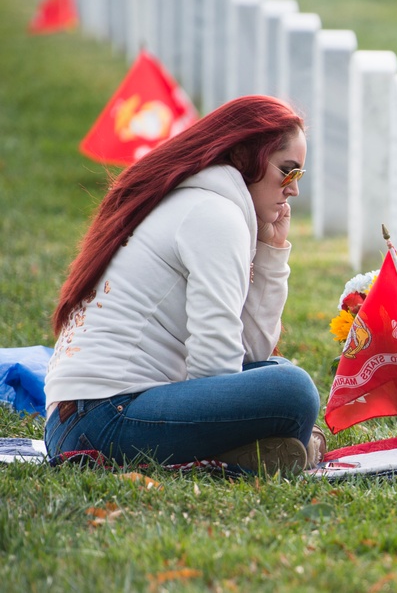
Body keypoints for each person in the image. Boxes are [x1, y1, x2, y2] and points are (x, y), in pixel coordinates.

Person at [44, 95, 322, 475]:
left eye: (299, 176)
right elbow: (216, 370)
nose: (294, 190)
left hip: (82, 420)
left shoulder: (204, 203)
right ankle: (262, 448)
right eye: (287, 172)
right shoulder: (215, 215)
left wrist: (271, 251)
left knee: (275, 370)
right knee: (293, 390)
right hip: (103, 419)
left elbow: (250, 353)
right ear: (243, 157)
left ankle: (248, 451)